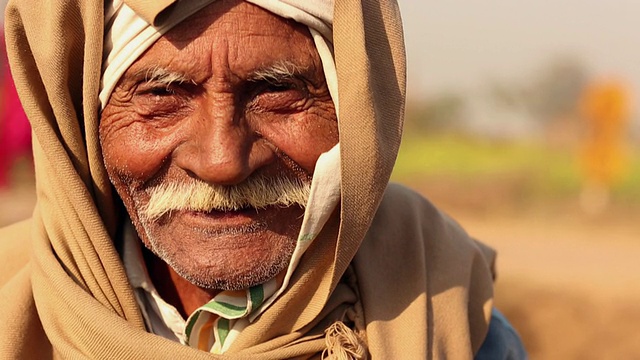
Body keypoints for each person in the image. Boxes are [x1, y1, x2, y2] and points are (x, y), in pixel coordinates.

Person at [0, 0, 525, 358]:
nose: (223, 160)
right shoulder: (12, 311)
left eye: (277, 92)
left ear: (359, 116)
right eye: (162, 96)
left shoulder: (445, 317)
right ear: (79, 121)